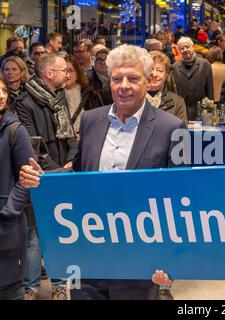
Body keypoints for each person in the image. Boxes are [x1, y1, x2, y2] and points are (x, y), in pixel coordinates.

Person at [19, 44, 183, 300]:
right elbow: (80, 177)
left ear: (148, 80)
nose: (123, 85)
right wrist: (44, 178)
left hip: (138, 257)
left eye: (133, 78)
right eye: (117, 79)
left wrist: (172, 260)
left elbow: (179, 198)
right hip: (88, 253)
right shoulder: (91, 121)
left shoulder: (170, 127)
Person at [15, 54, 78, 300]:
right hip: (41, 177)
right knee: (33, 236)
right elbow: (31, 146)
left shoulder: (59, 98)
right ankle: (30, 287)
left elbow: (71, 135)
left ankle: (60, 284)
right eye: (65, 70)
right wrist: (59, 171)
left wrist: (74, 158)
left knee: (60, 232)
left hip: (63, 173)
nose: (69, 75)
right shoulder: (24, 102)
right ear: (50, 74)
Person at [0, 75, 34, 300]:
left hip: (6, 224)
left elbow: (29, 178)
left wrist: (8, 212)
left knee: (9, 288)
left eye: (3, 90)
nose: (1, 95)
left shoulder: (15, 130)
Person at [172, 37, 213, 120]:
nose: (185, 50)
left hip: (201, 111)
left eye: (187, 47)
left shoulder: (205, 64)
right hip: (181, 112)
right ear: (179, 51)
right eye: (182, 48)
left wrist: (209, 114)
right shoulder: (174, 67)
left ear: (193, 47)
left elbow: (210, 91)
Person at [64, 55, 104, 133]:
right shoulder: (54, 96)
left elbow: (100, 122)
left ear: (77, 74)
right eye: (64, 71)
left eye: (70, 70)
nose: (67, 74)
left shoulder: (91, 95)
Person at [146, 51, 188, 124]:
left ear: (165, 76)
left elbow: (181, 133)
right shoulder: (133, 100)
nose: (154, 74)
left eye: (159, 70)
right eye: (151, 69)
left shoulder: (178, 102)